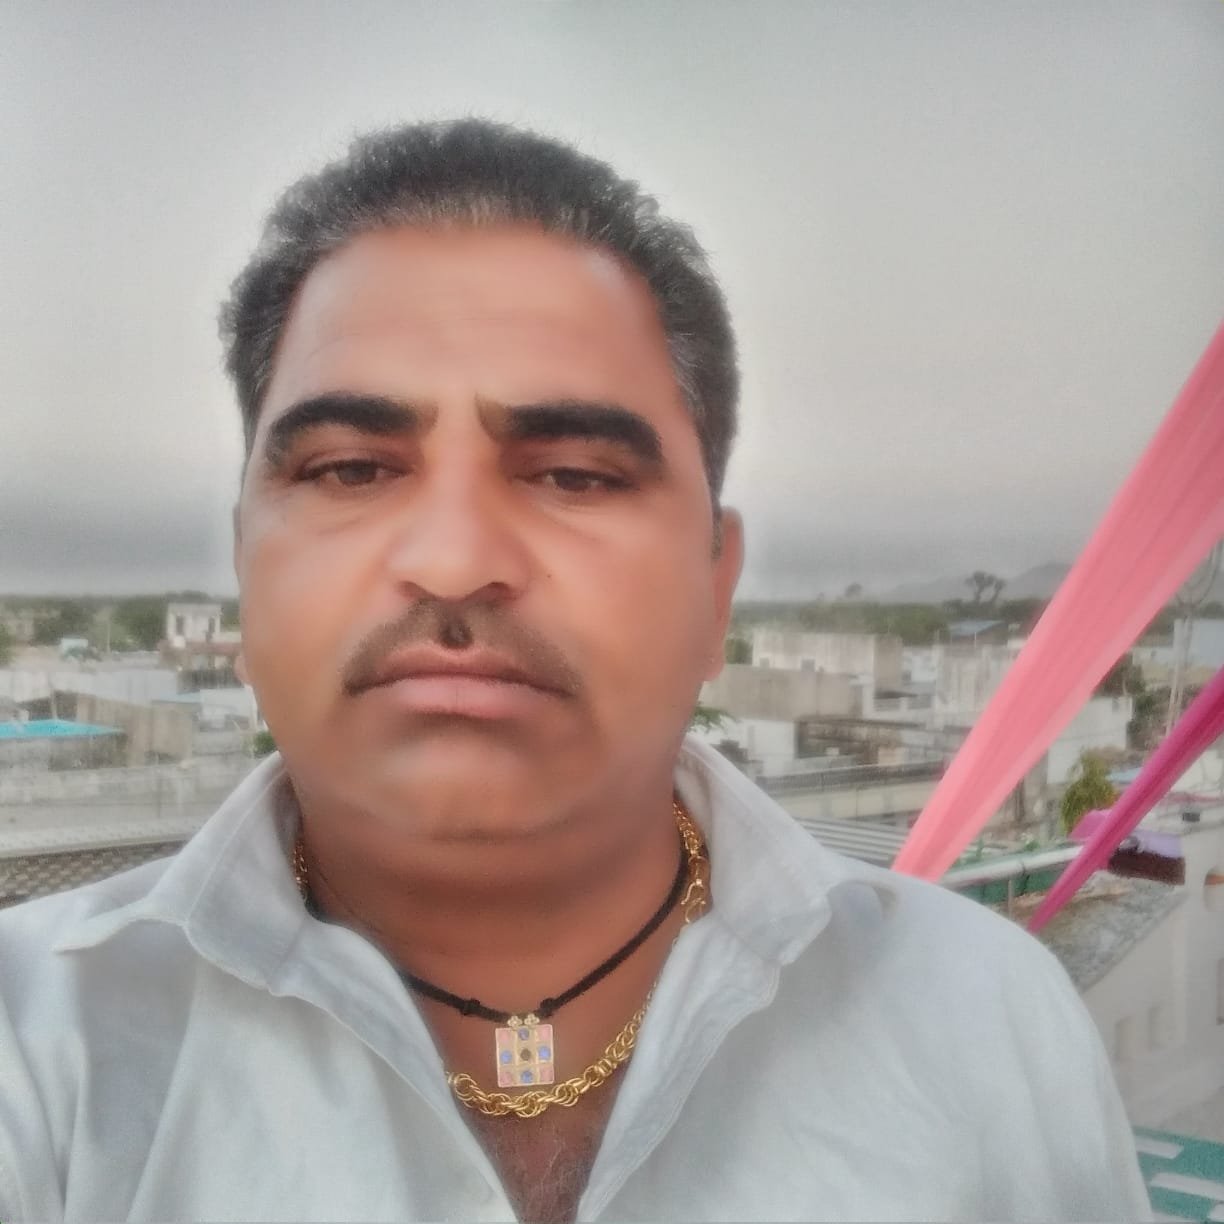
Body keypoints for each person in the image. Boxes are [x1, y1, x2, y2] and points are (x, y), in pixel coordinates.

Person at [0, 119, 1150, 1223]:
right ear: (244, 569)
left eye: (576, 476)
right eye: (351, 468)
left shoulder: (982, 1023)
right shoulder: (40, 1050)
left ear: (716, 589)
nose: (456, 559)